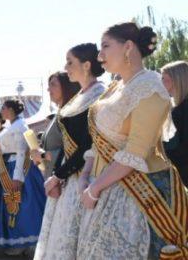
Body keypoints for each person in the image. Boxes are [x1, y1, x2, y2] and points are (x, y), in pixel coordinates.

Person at [77, 23, 188, 259]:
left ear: (128, 47)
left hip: (142, 193)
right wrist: (87, 177)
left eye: (106, 46)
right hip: (105, 186)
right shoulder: (115, 88)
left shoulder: (150, 87)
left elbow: (136, 152)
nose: (100, 55)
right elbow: (98, 142)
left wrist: (95, 188)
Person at [34, 44, 106, 260]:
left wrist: (58, 175)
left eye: (70, 62)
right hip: (70, 176)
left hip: (89, 176)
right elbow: (67, 145)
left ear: (86, 65)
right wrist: (58, 176)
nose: (66, 68)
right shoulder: (79, 97)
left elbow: (89, 144)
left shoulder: (100, 95)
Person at [0, 100, 47, 256]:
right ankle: (17, 240)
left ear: (11, 110)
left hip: (19, 169)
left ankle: (23, 241)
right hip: (9, 166)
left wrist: (18, 178)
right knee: (12, 204)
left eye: (3, 107)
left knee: (20, 204)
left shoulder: (19, 126)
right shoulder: (13, 125)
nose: (1, 110)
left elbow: (21, 152)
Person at [31, 71, 80, 178]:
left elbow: (72, 151)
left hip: (66, 178)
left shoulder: (70, 114)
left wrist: (42, 155)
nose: (48, 89)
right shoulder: (60, 113)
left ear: (66, 87)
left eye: (53, 84)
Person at [161, 60, 188, 185]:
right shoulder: (178, 109)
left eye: (164, 79)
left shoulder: (180, 111)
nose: (161, 83)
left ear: (176, 80)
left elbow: (179, 149)